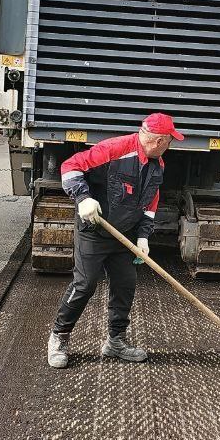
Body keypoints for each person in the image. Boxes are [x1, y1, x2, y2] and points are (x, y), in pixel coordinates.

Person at [47, 112, 184, 369]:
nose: (171, 145)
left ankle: (115, 342)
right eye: (170, 140)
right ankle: (59, 337)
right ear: (159, 140)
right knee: (85, 285)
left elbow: (150, 203)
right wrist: (83, 198)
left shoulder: (158, 165)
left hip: (125, 235)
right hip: (95, 230)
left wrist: (143, 237)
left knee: (125, 284)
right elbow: (70, 167)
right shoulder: (114, 149)